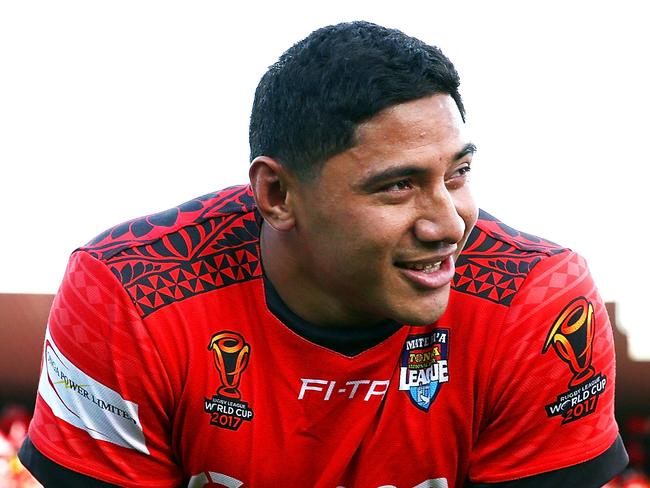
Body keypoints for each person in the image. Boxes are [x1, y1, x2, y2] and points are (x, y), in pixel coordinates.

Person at [19, 21, 627, 487]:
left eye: (458, 173)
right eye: (398, 185)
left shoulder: (538, 298)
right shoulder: (130, 289)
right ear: (278, 195)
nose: (448, 224)